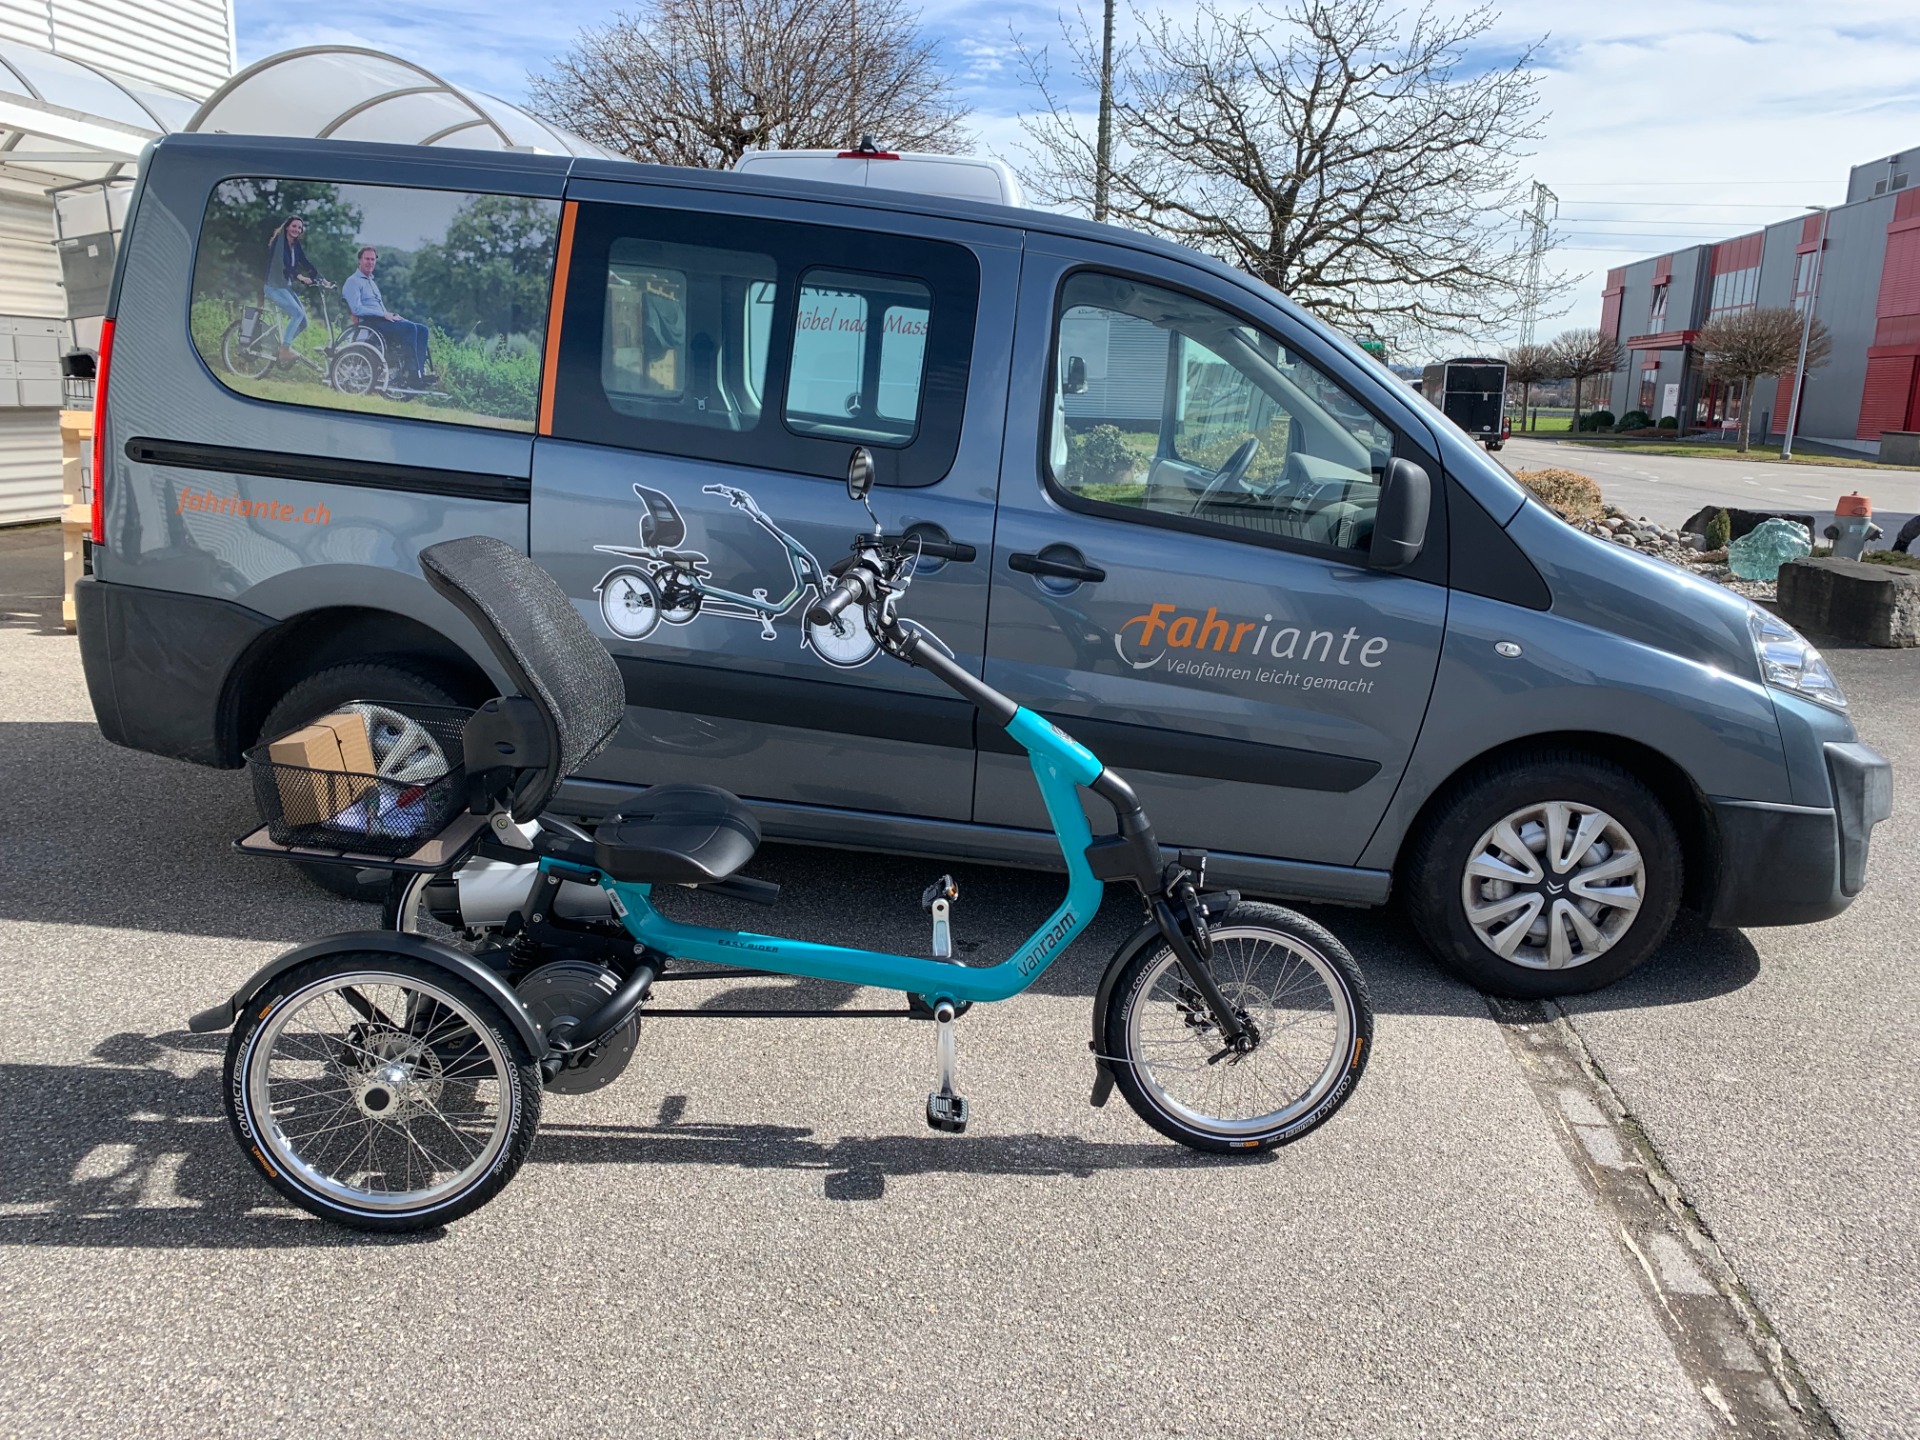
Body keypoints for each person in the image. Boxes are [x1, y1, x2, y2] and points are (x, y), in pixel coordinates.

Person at [341, 247, 435, 385]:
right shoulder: (353, 281)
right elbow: (357, 309)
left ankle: (420, 373)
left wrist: (393, 316)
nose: (370, 262)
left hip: (381, 320)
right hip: (370, 322)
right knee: (409, 328)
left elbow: (380, 307)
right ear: (359, 261)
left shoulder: (371, 282)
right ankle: (411, 373)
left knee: (422, 329)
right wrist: (383, 314)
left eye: (373, 259)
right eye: (367, 259)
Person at [262, 216, 320, 363]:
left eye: (300, 228)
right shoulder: (279, 243)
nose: (297, 230)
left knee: (303, 322)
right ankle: (284, 349)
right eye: (294, 226)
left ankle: (282, 346)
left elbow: (305, 262)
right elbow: (285, 265)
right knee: (297, 313)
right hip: (273, 286)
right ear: (287, 227)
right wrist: (300, 277)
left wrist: (319, 277)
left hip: (284, 287)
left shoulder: (295, 245)